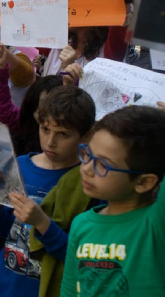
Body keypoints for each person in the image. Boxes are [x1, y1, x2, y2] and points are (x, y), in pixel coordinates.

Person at [0, 86, 96, 297]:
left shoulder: (88, 184)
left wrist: (42, 223)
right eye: (45, 129)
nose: (51, 141)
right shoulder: (19, 165)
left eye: (63, 134)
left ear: (86, 135)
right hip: (5, 285)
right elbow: (7, 232)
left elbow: (80, 257)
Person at [61, 106, 165, 296]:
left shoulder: (155, 224)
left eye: (103, 164)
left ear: (144, 182)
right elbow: (69, 289)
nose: (86, 169)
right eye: (87, 154)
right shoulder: (81, 224)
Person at [0, 41, 64, 155]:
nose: (48, 113)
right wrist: (0, 68)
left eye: (54, 105)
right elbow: (2, 107)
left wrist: (69, 74)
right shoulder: (24, 122)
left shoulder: (70, 126)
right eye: (42, 105)